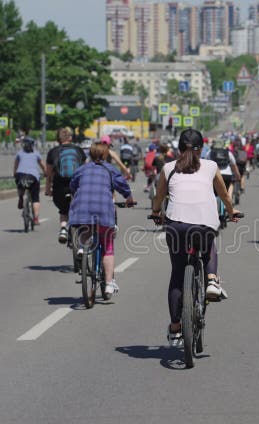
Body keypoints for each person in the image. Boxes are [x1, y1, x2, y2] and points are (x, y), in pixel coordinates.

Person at [150, 129, 241, 347]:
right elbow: (224, 195)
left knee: (177, 273)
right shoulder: (210, 166)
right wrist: (232, 212)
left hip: (176, 225)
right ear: (202, 148)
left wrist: (155, 213)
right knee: (208, 243)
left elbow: (159, 196)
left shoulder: (168, 168)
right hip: (204, 223)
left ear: (179, 148)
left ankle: (174, 328)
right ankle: (212, 280)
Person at [69, 143, 135, 297]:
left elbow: (72, 184)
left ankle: (81, 248)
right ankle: (109, 284)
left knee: (86, 227)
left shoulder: (82, 169)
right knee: (108, 246)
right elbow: (122, 185)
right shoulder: (109, 169)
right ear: (106, 155)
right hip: (103, 209)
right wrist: (129, 198)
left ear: (90, 155)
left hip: (82, 207)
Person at [46, 128, 87, 243]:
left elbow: (48, 174)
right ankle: (82, 237)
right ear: (70, 138)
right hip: (77, 185)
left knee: (64, 210)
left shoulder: (53, 151)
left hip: (60, 186)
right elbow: (86, 168)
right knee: (81, 208)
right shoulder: (79, 150)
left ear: (58, 139)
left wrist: (48, 189)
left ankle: (63, 228)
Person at [14, 137, 47, 225]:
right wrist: (46, 173)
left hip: (20, 175)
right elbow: (43, 166)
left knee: (20, 185)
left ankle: (21, 198)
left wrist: (15, 175)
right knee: (35, 197)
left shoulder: (19, 153)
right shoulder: (36, 154)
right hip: (33, 177)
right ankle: (36, 218)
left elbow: (16, 166)